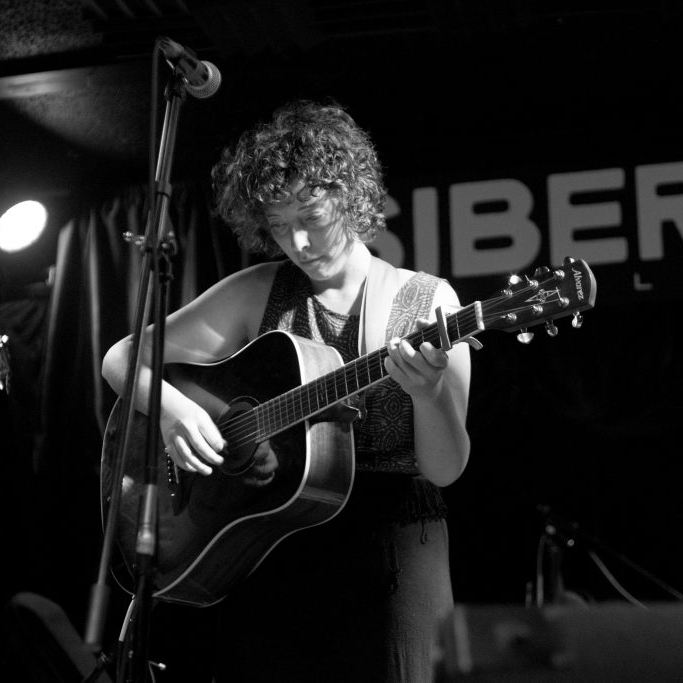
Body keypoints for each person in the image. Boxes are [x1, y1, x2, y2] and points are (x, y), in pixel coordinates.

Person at [101, 99, 471, 682]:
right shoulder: (259, 291)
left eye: (311, 216)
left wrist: (428, 396)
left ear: (349, 195)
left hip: (395, 544)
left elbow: (446, 469)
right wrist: (171, 411)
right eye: (277, 225)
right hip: (275, 537)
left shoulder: (429, 303)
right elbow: (123, 357)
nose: (296, 242)